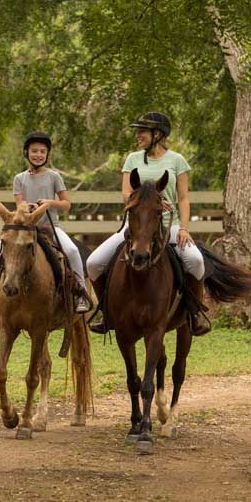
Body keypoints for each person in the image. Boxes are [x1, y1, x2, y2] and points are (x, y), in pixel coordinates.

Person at [86, 112, 210, 336]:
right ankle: (107, 312)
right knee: (94, 263)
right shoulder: (132, 159)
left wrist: (184, 228)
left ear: (158, 134)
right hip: (135, 227)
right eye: (138, 132)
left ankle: (194, 313)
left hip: (168, 225)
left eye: (142, 132)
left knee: (195, 260)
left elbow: (183, 198)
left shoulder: (177, 160)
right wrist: (148, 200)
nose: (138, 136)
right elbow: (126, 194)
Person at [0, 131, 91, 314]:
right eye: (34, 151)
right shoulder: (19, 178)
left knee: (71, 251)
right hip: (25, 230)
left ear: (47, 155)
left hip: (50, 228)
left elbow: (66, 204)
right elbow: (19, 206)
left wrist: (49, 203)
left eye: (42, 151)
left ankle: (80, 293)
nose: (38, 154)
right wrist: (27, 207)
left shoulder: (54, 176)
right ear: (26, 152)